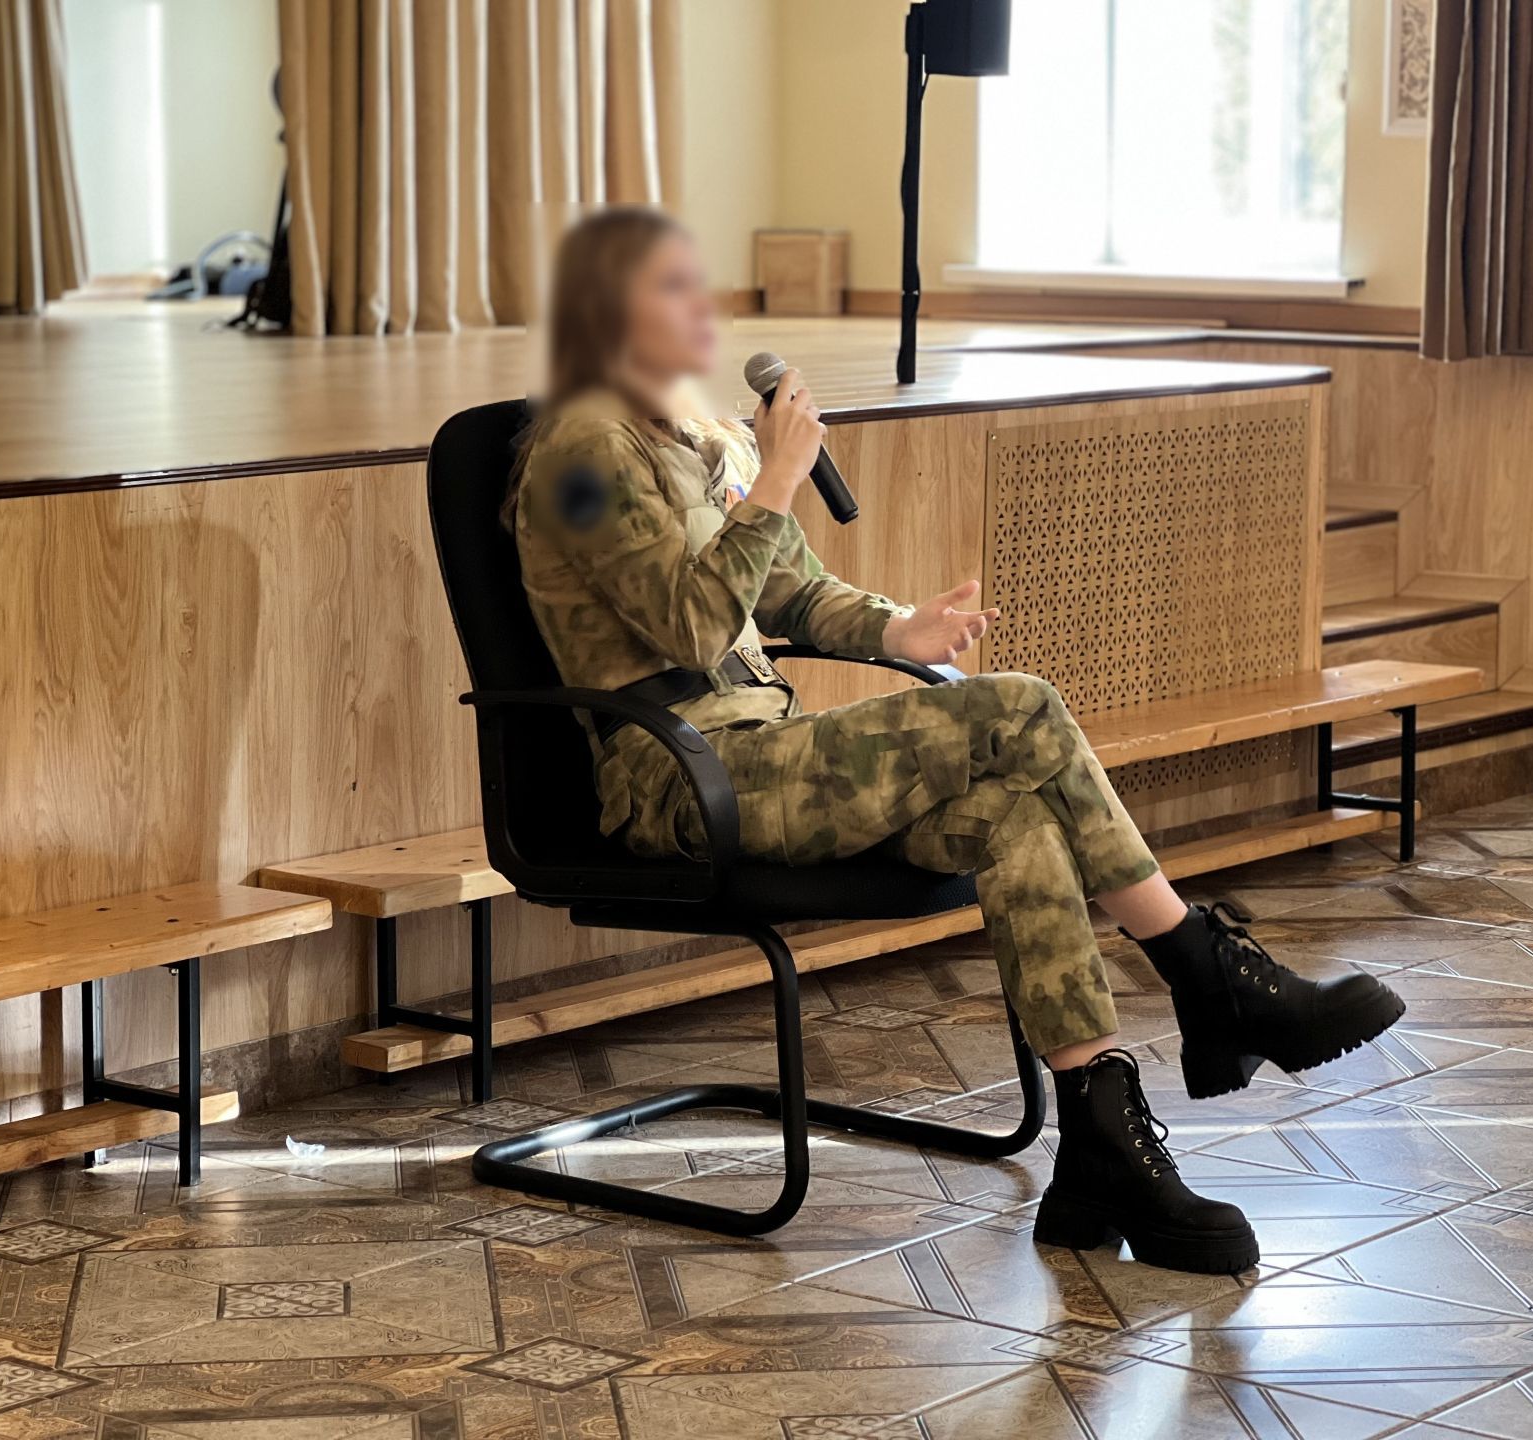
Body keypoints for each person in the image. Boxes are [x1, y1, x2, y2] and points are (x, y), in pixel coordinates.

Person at [505, 207, 1405, 1276]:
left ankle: (1102, 1145)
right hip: (680, 782)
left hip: (765, 754)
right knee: (1017, 707)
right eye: (673, 287)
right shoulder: (578, 453)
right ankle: (1207, 972)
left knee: (1013, 815)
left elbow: (788, 589)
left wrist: (897, 629)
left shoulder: (697, 437)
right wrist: (781, 479)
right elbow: (694, 628)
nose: (707, 305)